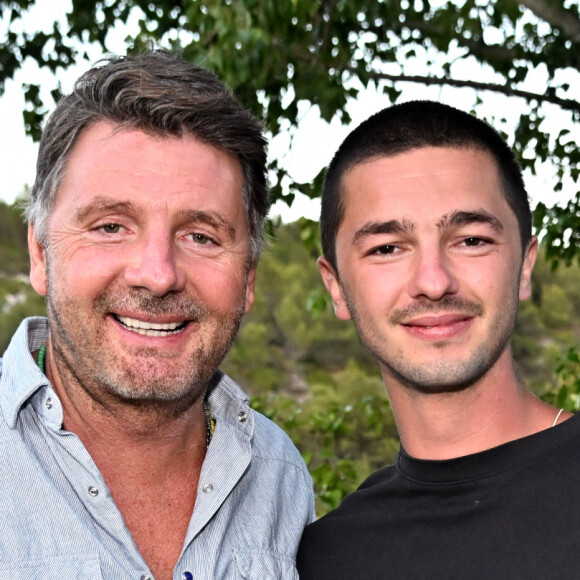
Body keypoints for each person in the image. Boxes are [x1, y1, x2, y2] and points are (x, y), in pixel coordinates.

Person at [0, 50, 314, 580]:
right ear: (40, 254)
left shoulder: (279, 476)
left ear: (249, 278)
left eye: (201, 236)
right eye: (110, 226)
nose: (158, 273)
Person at [296, 100, 578, 579]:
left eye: (471, 240)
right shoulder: (326, 558)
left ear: (526, 266)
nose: (433, 280)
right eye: (386, 248)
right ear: (336, 288)